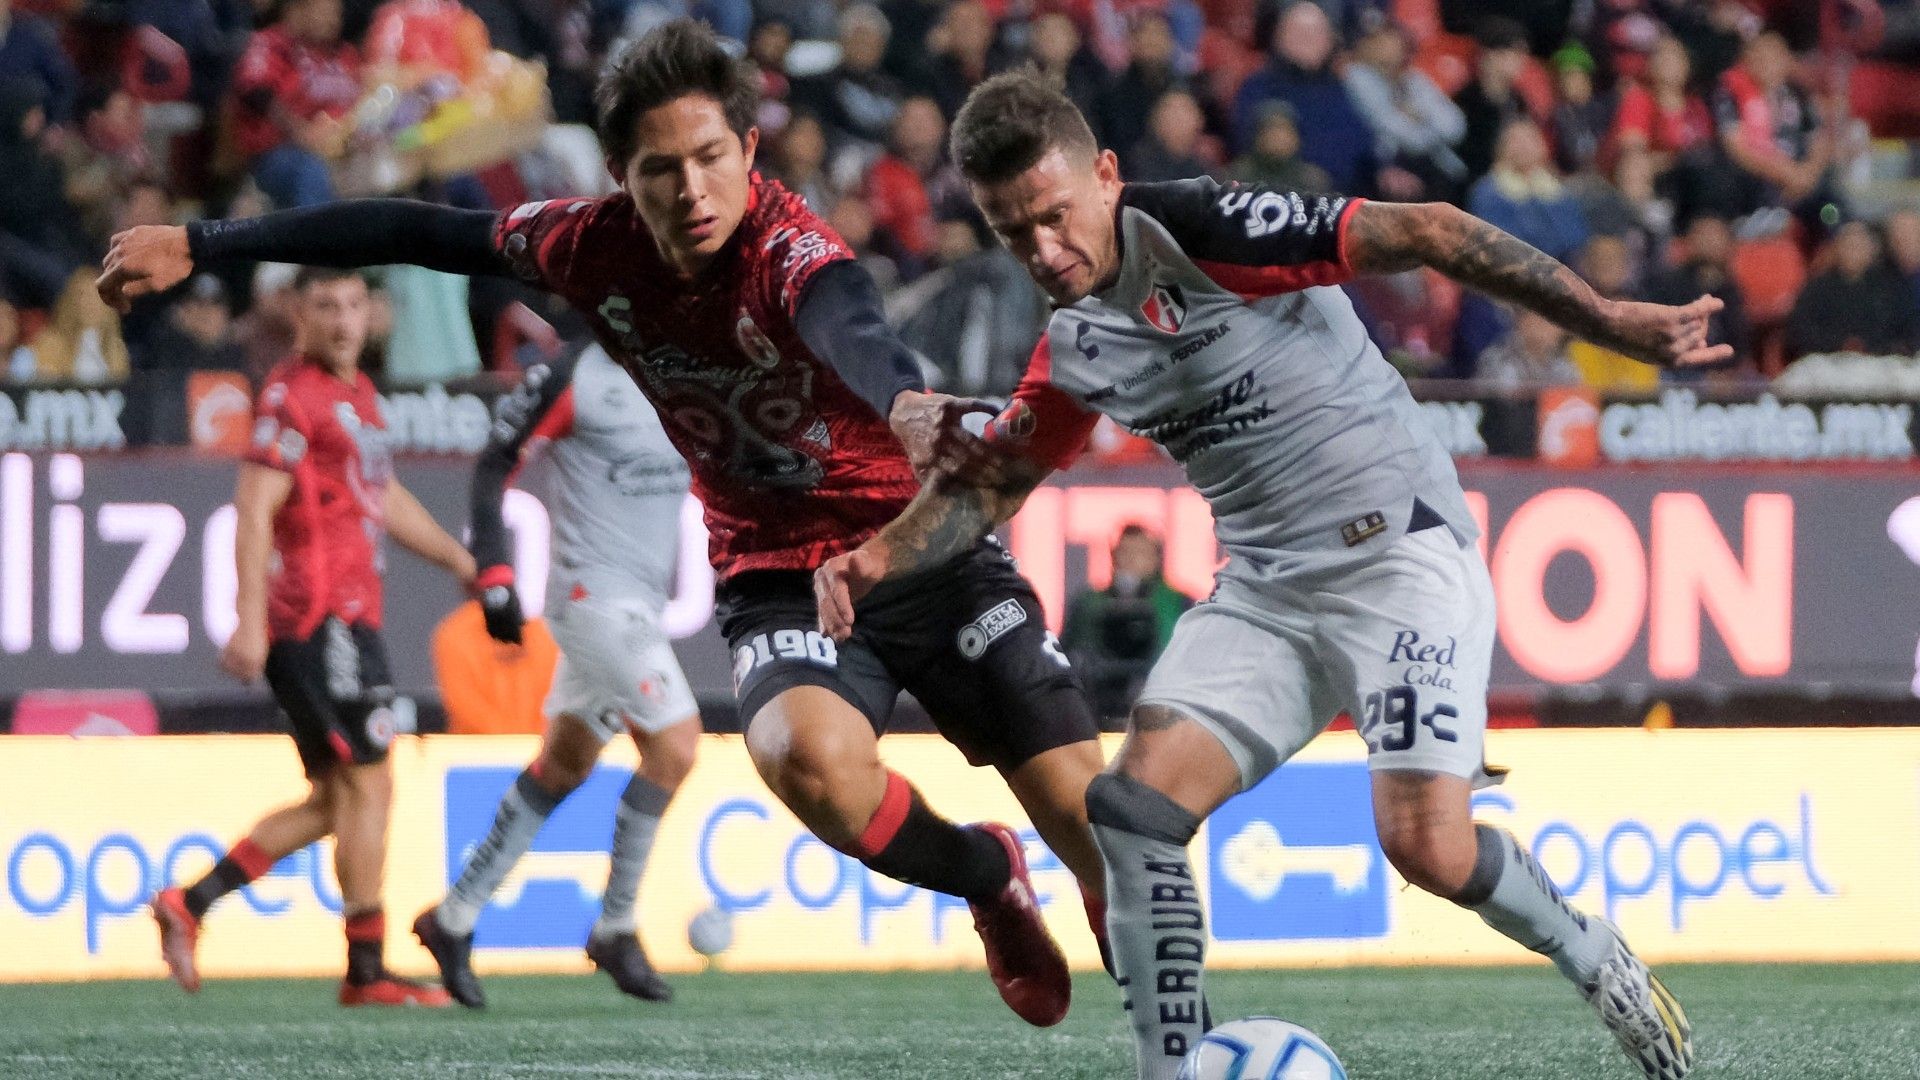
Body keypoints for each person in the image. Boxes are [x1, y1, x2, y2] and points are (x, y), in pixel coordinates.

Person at [102, 19, 1106, 1029]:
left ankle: (1161, 1001)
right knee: (808, 766)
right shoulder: (587, 247)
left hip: (921, 543)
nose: (692, 190)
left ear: (750, 153)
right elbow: (410, 230)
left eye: (713, 158)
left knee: (1094, 829)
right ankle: (987, 877)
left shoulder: (791, 248)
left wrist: (906, 407)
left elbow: (854, 322)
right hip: (772, 571)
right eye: (660, 169)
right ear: (622, 174)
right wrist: (203, 241)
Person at [814, 71, 1715, 1080]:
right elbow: (997, 486)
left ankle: (1599, 959)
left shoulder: (1201, 229)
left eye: (1056, 217)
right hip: (1269, 594)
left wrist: (1606, 321)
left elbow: (1426, 229)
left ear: (1107, 177)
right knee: (1128, 814)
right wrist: (880, 552)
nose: (1043, 252)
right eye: (1012, 230)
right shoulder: (1077, 345)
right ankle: (1175, 1067)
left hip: (1401, 555)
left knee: (1427, 847)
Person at [149, 267, 476, 1007]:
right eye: (325, 305)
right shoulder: (290, 396)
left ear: (373, 313)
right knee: (369, 783)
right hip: (314, 617)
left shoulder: (357, 398)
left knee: (342, 799)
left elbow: (378, 494)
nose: (341, 320)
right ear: (298, 313)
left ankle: (190, 904)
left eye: (354, 305)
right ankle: (365, 972)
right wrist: (251, 620)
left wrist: (458, 558)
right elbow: (254, 506)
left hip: (352, 618)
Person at [413, 342, 701, 1008]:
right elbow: (494, 464)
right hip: (592, 601)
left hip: (642, 605)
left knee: (564, 764)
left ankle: (452, 918)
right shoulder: (573, 375)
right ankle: (616, 925)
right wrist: (494, 570)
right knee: (675, 744)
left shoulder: (690, 365)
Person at [1060, 525, 1193, 723]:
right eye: (1125, 552)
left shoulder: (1179, 603)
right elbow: (1067, 656)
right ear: (1113, 557)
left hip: (1163, 705)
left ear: (1156, 558)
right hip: (1097, 705)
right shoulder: (1088, 605)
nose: (1131, 559)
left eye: (1140, 552)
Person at [1787, 220, 1920, 360]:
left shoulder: (1892, 287)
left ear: (1872, 250)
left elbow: (1908, 330)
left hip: (1881, 362)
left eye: (1859, 246)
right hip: (1827, 363)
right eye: (1848, 245)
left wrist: (1872, 347)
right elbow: (1799, 332)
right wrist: (1841, 345)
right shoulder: (1818, 288)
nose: (1853, 252)